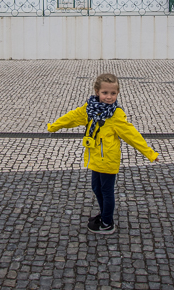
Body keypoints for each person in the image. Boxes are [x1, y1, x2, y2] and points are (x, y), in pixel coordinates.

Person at [47, 73, 158, 234]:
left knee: (106, 191)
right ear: (97, 91)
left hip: (108, 160)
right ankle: (104, 213)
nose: (109, 97)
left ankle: (107, 223)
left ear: (117, 93)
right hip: (95, 158)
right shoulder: (89, 109)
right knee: (96, 188)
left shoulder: (116, 114)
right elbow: (72, 117)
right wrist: (54, 126)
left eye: (113, 93)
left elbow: (131, 135)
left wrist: (150, 153)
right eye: (105, 93)